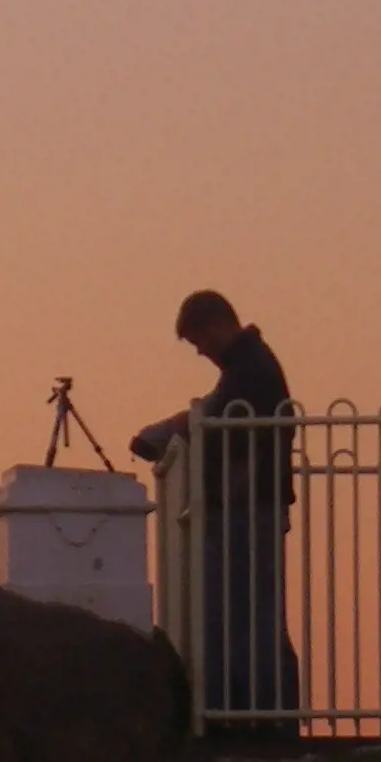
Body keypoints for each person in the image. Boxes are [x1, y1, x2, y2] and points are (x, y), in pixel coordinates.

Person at [132, 291, 300, 734]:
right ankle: (260, 715)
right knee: (250, 613)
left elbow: (221, 421)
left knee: (242, 615)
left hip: (246, 508)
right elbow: (214, 413)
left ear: (215, 325)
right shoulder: (248, 367)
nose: (200, 351)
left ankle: (253, 720)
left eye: (198, 341)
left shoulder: (250, 370)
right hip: (247, 506)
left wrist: (177, 429)